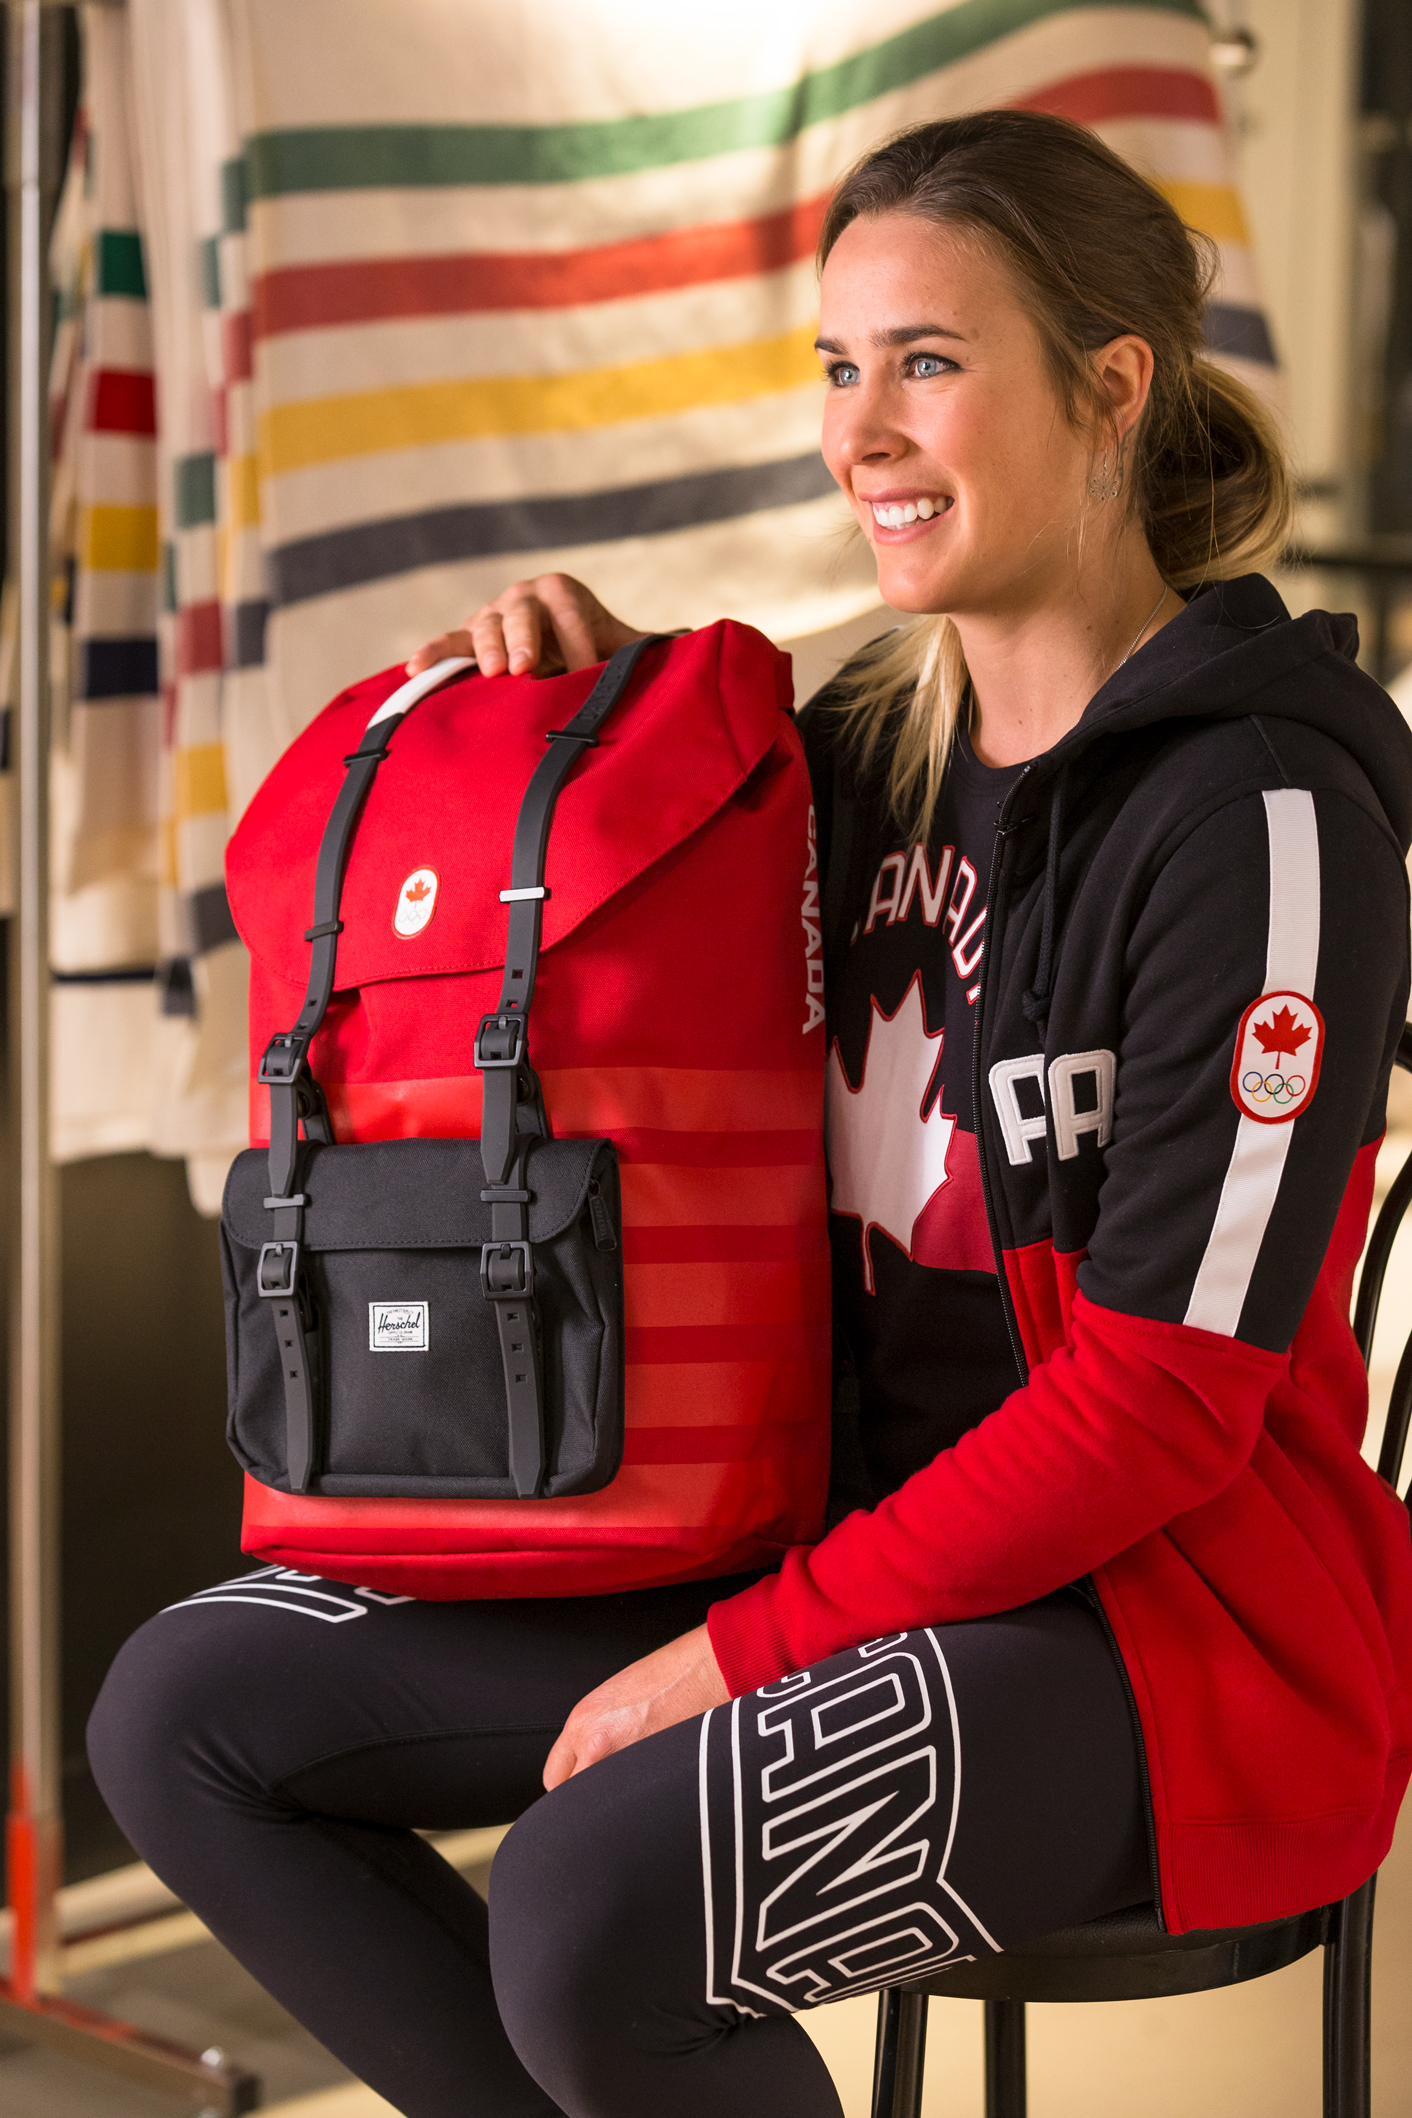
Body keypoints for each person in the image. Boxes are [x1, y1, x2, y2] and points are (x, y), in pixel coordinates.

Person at [88, 111, 1412, 2118]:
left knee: (589, 1901)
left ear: (1109, 388)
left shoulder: (1264, 809)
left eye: (929, 364)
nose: (862, 430)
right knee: (184, 1710)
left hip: (1159, 1635)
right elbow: (664, 939)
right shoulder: (854, 755)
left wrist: (734, 1662)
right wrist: (597, 717)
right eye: (836, 368)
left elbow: (1158, 1398)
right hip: (826, 1536)